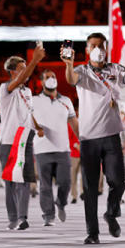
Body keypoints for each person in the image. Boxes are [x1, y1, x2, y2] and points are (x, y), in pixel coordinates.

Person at [63, 32, 125, 244]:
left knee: (118, 182)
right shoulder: (80, 70)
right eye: (93, 45)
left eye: (101, 45)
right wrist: (68, 63)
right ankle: (92, 233)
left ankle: (111, 214)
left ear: (107, 48)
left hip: (111, 136)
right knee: (90, 188)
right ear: (86, 49)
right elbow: (70, 79)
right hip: (89, 138)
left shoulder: (115, 69)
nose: (98, 49)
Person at [0, 46, 46, 230]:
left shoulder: (27, 92)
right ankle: (12, 217)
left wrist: (37, 126)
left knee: (24, 180)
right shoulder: (5, 88)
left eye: (26, 66)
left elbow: (29, 113)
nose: (25, 70)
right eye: (22, 67)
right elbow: (21, 79)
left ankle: (22, 217)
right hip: (9, 141)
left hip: (24, 140)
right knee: (11, 181)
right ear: (12, 71)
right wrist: (34, 61)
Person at [31, 69, 79, 226]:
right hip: (42, 149)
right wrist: (36, 129)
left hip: (63, 149)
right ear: (42, 82)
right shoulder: (34, 100)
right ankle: (48, 214)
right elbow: (27, 120)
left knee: (65, 182)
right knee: (45, 185)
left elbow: (74, 124)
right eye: (47, 77)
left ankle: (61, 203)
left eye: (53, 76)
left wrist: (83, 141)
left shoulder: (66, 101)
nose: (51, 79)